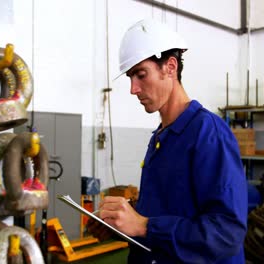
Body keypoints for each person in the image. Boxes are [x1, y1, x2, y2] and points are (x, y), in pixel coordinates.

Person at [87, 18, 248, 264]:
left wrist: (144, 226)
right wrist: (120, 223)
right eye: (131, 77)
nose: (133, 88)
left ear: (170, 67)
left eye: (141, 75)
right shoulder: (161, 137)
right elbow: (166, 210)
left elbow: (225, 234)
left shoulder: (208, 133)